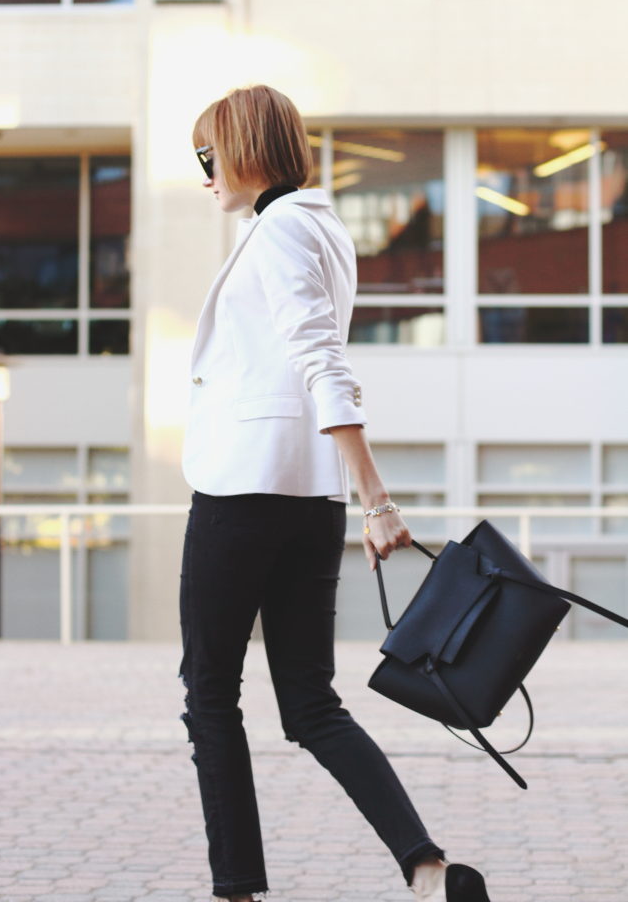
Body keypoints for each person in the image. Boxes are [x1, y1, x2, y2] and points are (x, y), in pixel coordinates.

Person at [179, 85, 492, 902]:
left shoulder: (280, 230)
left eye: (209, 156)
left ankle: (235, 889)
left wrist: (375, 496)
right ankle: (428, 871)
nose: (204, 174)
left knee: (210, 691)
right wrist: (351, 496)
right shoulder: (315, 224)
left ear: (246, 149)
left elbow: (323, 361)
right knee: (310, 705)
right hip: (305, 498)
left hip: (245, 487)